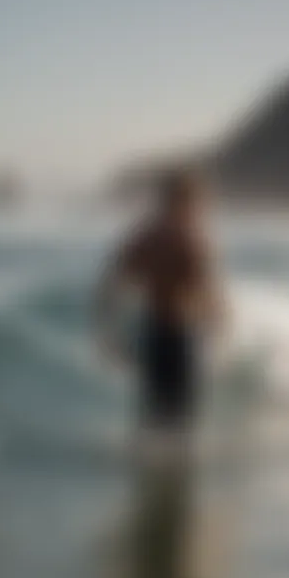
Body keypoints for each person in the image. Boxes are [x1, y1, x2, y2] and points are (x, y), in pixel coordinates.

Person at [94, 167, 226, 448]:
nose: (200, 209)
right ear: (184, 201)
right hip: (180, 336)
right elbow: (209, 293)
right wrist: (219, 325)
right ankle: (171, 481)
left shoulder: (143, 238)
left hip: (151, 332)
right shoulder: (193, 241)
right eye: (197, 202)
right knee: (181, 423)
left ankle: (150, 478)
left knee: (151, 417)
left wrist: (108, 334)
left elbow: (110, 286)